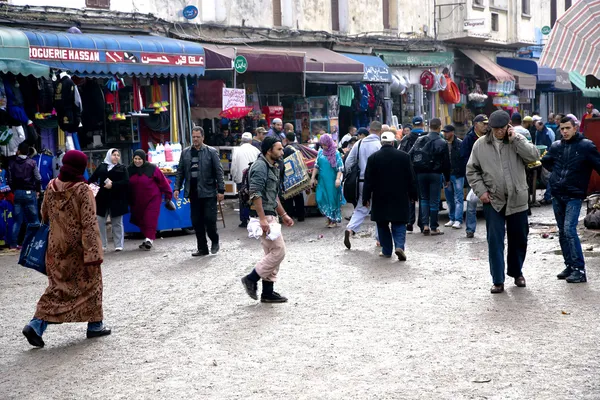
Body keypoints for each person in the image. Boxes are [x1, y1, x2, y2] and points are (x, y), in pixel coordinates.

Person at [22, 150, 109, 348]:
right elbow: (89, 223)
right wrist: (94, 253)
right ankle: (95, 325)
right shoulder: (83, 189)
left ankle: (36, 324)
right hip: (79, 248)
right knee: (92, 284)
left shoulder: (51, 186)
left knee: (58, 288)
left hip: (55, 247)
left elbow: (44, 215)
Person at [466, 110, 539, 294]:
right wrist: (481, 192)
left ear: (509, 126)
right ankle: (497, 280)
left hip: (518, 197)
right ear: (490, 127)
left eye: (502, 128)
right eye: (495, 128)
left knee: (519, 238)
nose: (499, 132)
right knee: (495, 240)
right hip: (493, 200)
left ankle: (516, 272)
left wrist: (516, 139)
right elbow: (472, 171)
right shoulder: (480, 145)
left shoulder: (518, 140)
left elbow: (533, 156)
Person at [542, 116, 600, 283]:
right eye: (562, 129)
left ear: (576, 128)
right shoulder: (556, 146)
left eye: (568, 128)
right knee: (562, 231)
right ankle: (569, 266)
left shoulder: (586, 146)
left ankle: (579, 270)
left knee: (569, 230)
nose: (565, 131)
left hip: (574, 195)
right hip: (557, 193)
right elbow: (546, 162)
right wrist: (557, 176)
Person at [240, 137, 294, 303]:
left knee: (271, 253)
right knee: (279, 251)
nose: (282, 152)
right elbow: (255, 193)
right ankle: (251, 278)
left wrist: (283, 215)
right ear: (269, 150)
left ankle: (268, 292)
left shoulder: (273, 166)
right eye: (278, 149)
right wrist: (263, 219)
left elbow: (273, 195)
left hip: (271, 214)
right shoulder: (260, 166)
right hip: (263, 216)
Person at [363, 132, 417, 261]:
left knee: (382, 224)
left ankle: (387, 250)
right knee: (399, 223)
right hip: (399, 196)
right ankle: (399, 247)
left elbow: (368, 180)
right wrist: (413, 194)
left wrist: (366, 198)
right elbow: (411, 178)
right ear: (393, 142)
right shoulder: (404, 157)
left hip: (380, 197)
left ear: (382, 142)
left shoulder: (373, 158)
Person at [174, 126, 225, 256]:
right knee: (196, 221)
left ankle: (214, 240)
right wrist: (177, 188)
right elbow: (180, 172)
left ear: (203, 137)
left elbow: (219, 172)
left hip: (208, 191)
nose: (195, 139)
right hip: (193, 192)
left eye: (198, 137)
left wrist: (221, 189)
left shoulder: (211, 152)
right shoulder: (185, 153)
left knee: (209, 219)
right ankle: (202, 248)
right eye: (194, 137)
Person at [343, 121, 383, 249]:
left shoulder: (359, 144)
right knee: (379, 209)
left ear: (369, 130)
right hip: (377, 182)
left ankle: (350, 229)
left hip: (361, 181)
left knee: (361, 207)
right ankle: (379, 239)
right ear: (380, 131)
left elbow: (348, 163)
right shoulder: (379, 145)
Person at [409, 118, 450, 235]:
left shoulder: (420, 139)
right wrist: (447, 178)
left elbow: (410, 155)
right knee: (434, 201)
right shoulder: (442, 142)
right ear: (439, 127)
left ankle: (425, 224)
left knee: (424, 199)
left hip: (421, 174)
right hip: (435, 174)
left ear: (429, 126)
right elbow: (446, 163)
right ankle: (434, 226)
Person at [127, 149, 173, 250]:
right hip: (137, 201)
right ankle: (147, 238)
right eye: (135, 159)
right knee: (141, 219)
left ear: (144, 159)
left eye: (140, 159)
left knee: (150, 218)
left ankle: (149, 240)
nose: (137, 161)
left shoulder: (152, 168)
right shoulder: (129, 170)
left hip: (153, 198)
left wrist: (168, 196)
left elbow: (163, 182)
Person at [88, 148, 129, 252]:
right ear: (109, 155)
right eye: (114, 155)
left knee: (117, 222)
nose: (116, 157)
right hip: (102, 198)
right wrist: (95, 189)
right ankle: (102, 244)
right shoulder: (102, 167)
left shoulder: (122, 168)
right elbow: (92, 179)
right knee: (100, 221)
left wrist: (113, 185)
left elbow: (126, 182)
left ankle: (118, 244)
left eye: (118, 155)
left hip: (117, 198)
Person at [7, 142, 41, 250]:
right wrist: (37, 190)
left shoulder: (12, 163)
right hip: (29, 192)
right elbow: (38, 178)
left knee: (17, 221)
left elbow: (10, 180)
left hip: (17, 193)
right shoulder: (32, 163)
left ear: (19, 151)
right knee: (34, 220)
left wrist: (14, 190)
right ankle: (37, 242)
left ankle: (13, 244)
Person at [460, 114, 488, 238]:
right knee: (471, 202)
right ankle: (470, 229)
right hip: (476, 177)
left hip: (490, 175)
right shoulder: (469, 139)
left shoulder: (490, 137)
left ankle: (493, 229)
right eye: (483, 123)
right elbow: (464, 159)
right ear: (476, 124)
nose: (486, 126)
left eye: (487, 124)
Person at [311, 133, 345, 228]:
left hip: (332, 180)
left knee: (332, 200)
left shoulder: (336, 153)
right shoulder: (321, 152)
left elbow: (340, 168)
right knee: (320, 198)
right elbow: (316, 166)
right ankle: (329, 217)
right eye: (322, 144)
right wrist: (313, 178)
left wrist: (338, 179)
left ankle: (332, 220)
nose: (324, 146)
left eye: (325, 144)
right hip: (322, 180)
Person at [399, 117, 426, 232]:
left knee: (410, 197)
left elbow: (402, 154)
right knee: (423, 199)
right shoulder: (427, 137)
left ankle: (410, 221)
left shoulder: (406, 138)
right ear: (422, 124)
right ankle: (422, 223)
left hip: (410, 172)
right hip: (424, 171)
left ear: (413, 126)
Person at [231, 132, 261, 228]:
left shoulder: (237, 150)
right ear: (251, 141)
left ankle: (244, 220)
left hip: (241, 179)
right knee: (254, 198)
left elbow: (234, 166)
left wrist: (234, 177)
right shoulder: (256, 150)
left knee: (243, 199)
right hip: (254, 178)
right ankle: (255, 217)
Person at [441, 125, 464, 229]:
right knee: (449, 198)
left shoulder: (459, 143)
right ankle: (452, 218)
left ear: (452, 132)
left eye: (447, 132)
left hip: (458, 174)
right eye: (444, 132)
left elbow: (463, 159)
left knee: (458, 198)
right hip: (446, 175)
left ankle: (458, 220)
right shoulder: (443, 144)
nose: (445, 134)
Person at [282, 131, 305, 222]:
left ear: (286, 139)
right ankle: (301, 216)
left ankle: (290, 215)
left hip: (289, 175)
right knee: (299, 196)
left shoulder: (286, 149)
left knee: (289, 197)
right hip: (299, 174)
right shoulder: (299, 147)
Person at [533, 117, 555, 205]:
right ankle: (548, 196)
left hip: (548, 155)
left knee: (549, 177)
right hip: (541, 155)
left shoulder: (548, 131)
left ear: (542, 125)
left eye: (537, 127)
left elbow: (552, 141)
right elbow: (536, 143)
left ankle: (548, 196)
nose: (537, 128)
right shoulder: (537, 132)